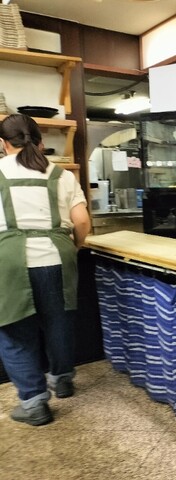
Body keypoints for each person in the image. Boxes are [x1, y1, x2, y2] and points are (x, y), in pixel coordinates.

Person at [0, 114, 91, 426]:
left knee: (15, 333)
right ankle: (62, 380)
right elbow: (82, 221)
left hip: (9, 260)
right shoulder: (61, 175)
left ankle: (34, 403)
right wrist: (74, 246)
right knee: (59, 323)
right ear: (40, 142)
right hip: (57, 256)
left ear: (3, 143)